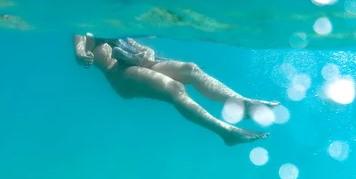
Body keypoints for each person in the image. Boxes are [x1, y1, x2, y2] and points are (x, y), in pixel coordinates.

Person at [73, 33, 279, 146]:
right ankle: (227, 132)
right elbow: (79, 50)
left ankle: (242, 103)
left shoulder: (114, 23)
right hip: (119, 74)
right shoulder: (84, 26)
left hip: (139, 65)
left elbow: (139, 46)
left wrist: (147, 51)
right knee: (175, 89)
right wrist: (83, 55)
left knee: (190, 69)